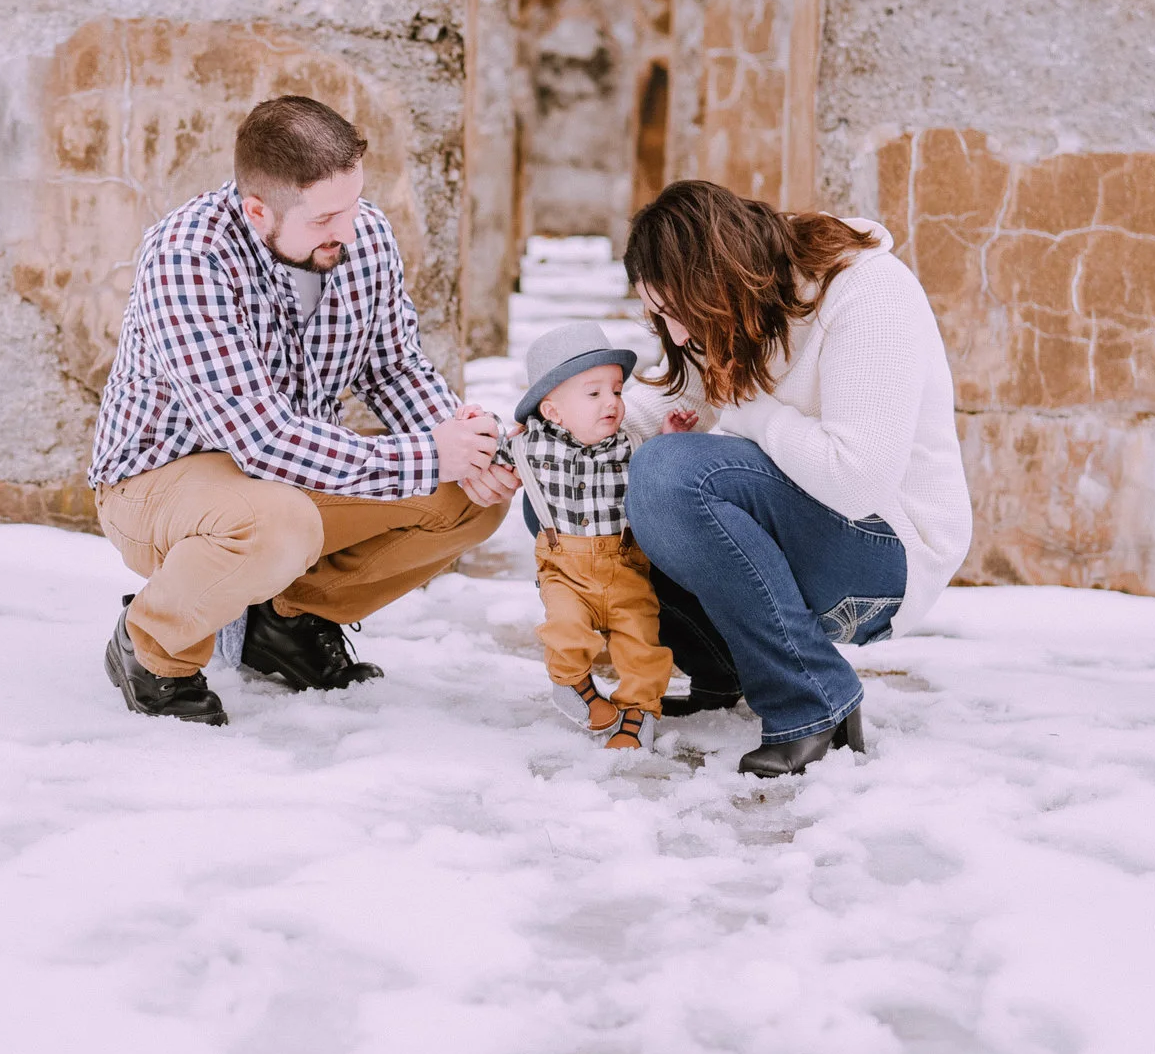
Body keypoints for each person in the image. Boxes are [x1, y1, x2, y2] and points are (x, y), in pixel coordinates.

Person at [90, 96, 519, 725]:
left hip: (293, 475)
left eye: (353, 204)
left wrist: (467, 445)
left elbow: (392, 366)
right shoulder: (188, 256)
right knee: (278, 524)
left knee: (468, 497)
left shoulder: (364, 235)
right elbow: (261, 441)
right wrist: (428, 455)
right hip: (160, 480)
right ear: (258, 210)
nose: (349, 229)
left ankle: (286, 623)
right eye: (324, 218)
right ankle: (152, 645)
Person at [620, 180, 971, 777]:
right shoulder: (733, 306)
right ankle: (721, 669)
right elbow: (673, 400)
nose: (676, 336)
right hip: (813, 524)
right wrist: (554, 436)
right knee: (583, 487)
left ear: (715, 278)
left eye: (676, 312)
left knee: (668, 476)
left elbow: (856, 481)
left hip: (889, 551)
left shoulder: (868, 292)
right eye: (660, 317)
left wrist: (747, 409)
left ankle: (813, 699)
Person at [506, 323, 673, 752]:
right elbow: (486, 451)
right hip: (564, 569)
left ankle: (639, 709)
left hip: (625, 568)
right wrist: (475, 431)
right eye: (594, 393)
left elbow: (661, 472)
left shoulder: (630, 444)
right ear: (553, 412)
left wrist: (670, 440)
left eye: (616, 391)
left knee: (640, 640)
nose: (612, 402)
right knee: (565, 628)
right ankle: (572, 684)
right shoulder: (530, 447)